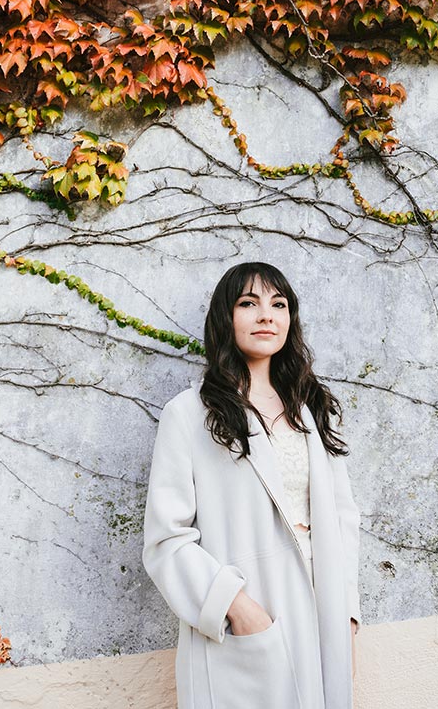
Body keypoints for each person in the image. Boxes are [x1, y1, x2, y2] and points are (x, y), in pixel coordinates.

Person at [142, 261, 362, 709]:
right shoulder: (189, 415)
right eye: (249, 303)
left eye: (278, 305)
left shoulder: (312, 409)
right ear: (226, 318)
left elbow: (342, 517)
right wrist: (236, 607)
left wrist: (348, 610)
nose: (266, 315)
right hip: (249, 609)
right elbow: (166, 538)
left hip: (323, 609)